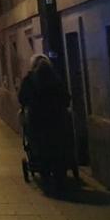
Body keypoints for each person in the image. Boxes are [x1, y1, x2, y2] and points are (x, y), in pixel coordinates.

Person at [18, 55, 72, 188]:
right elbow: (66, 98)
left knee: (40, 144)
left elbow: (22, 98)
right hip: (56, 118)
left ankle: (45, 172)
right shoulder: (56, 78)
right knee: (58, 143)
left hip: (37, 119)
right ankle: (60, 173)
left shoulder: (29, 79)